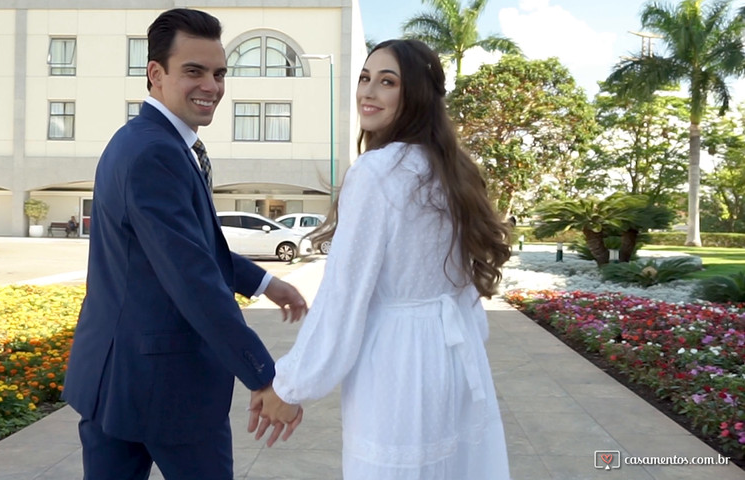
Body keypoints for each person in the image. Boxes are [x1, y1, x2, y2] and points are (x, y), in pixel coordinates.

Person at [249, 39, 514, 479]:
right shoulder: (450, 170)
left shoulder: (378, 172)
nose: (368, 92)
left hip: (398, 365)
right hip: (453, 357)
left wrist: (290, 385)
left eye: (387, 82)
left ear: (416, 96)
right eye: (365, 78)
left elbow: (344, 294)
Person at [61, 8, 307, 480]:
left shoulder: (142, 141)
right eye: (194, 71)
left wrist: (265, 281)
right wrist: (264, 376)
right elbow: (192, 278)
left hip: (115, 378)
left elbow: (181, 247)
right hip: (167, 387)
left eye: (219, 73)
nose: (211, 86)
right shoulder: (157, 151)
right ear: (156, 74)